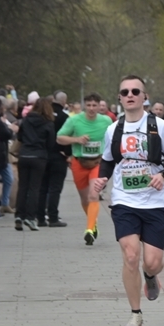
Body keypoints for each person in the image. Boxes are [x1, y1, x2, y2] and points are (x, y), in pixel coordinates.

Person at [89, 75, 164, 326]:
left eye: (135, 91)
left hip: (154, 201)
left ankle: (151, 276)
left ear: (144, 97)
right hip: (124, 199)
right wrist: (102, 178)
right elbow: (108, 160)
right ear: (119, 98)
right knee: (131, 255)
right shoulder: (113, 129)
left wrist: (163, 176)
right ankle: (135, 315)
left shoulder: (160, 126)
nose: (130, 95)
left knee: (152, 262)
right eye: (125, 92)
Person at [57, 93, 114, 244]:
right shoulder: (74, 120)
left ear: (99, 106)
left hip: (98, 162)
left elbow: (114, 137)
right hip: (79, 162)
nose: (91, 108)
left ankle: (89, 229)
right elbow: (59, 138)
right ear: (84, 106)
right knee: (84, 199)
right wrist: (76, 139)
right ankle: (93, 223)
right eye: (88, 105)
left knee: (93, 195)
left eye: (94, 105)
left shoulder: (106, 121)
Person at [14, 97, 57, 231]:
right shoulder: (48, 123)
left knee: (23, 187)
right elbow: (51, 143)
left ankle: (19, 216)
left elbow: (20, 137)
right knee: (34, 188)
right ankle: (31, 217)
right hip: (39, 156)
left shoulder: (26, 120)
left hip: (24, 155)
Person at [40, 92, 71, 227]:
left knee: (42, 187)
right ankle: (53, 217)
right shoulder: (65, 117)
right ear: (64, 101)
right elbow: (68, 136)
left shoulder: (44, 115)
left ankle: (40, 217)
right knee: (55, 188)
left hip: (43, 155)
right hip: (58, 155)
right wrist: (68, 153)